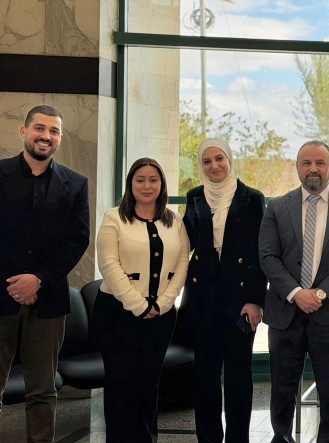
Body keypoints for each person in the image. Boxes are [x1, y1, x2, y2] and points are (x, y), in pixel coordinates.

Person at [259, 140, 329, 443]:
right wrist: (296, 292)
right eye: (306, 163)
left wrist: (319, 294)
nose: (313, 169)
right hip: (285, 314)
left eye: (320, 162)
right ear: (297, 167)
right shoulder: (276, 207)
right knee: (282, 388)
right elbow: (267, 256)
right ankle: (281, 438)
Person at [0, 105, 90, 443]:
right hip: (1, 293)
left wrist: (37, 279)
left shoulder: (76, 184)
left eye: (54, 131)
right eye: (40, 128)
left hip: (49, 300)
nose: (46, 136)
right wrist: (17, 284)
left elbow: (77, 240)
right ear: (24, 131)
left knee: (42, 391)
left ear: (60, 138)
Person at [95, 157, 189, 442]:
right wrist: (139, 305)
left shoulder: (174, 220)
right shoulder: (114, 217)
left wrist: (163, 303)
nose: (147, 186)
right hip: (117, 313)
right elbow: (109, 264)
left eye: (153, 180)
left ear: (162, 184)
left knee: (149, 383)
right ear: (130, 184)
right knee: (120, 384)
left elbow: (182, 263)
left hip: (161, 315)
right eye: (140, 180)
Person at [182, 138, 266, 443]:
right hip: (202, 300)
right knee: (204, 377)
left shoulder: (252, 198)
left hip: (240, 302)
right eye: (207, 161)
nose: (214, 166)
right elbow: (184, 244)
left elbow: (260, 253)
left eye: (219, 158)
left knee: (238, 378)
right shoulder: (194, 197)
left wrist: (255, 300)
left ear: (230, 160)